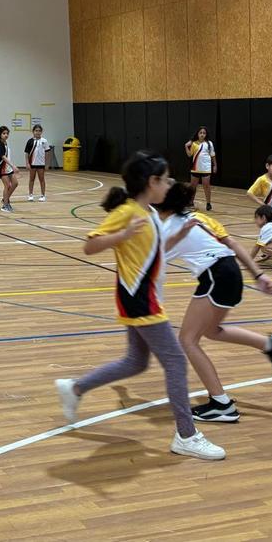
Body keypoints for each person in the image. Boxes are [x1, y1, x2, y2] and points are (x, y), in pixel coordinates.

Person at [54, 151, 225, 461]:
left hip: (143, 297)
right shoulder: (128, 212)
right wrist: (122, 234)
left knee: (136, 361)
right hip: (139, 299)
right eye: (166, 179)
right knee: (176, 361)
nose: (170, 185)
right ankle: (186, 435)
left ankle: (75, 388)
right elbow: (90, 245)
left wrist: (179, 235)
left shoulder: (151, 214)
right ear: (151, 181)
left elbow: (154, 252)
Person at [157, 183, 272, 424]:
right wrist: (258, 274)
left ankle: (221, 404)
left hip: (215, 276)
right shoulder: (199, 218)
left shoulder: (170, 228)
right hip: (231, 272)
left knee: (188, 340)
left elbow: (152, 261)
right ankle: (270, 345)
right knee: (210, 331)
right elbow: (234, 245)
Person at [184, 126, 216, 211]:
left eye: (204, 133)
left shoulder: (209, 143)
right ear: (197, 134)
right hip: (195, 168)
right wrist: (186, 146)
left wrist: (215, 165)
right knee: (193, 186)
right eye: (200, 133)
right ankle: (190, 202)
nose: (202, 134)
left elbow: (213, 155)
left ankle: (208, 203)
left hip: (206, 168)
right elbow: (189, 155)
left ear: (206, 134)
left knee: (206, 185)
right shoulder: (194, 143)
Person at [25, 124, 52, 202]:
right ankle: (30, 195)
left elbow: (47, 153)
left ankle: (43, 195)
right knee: (31, 179)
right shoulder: (30, 141)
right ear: (33, 131)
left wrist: (47, 164)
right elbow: (26, 153)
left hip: (41, 164)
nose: (38, 132)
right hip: (32, 164)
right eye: (36, 131)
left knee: (42, 179)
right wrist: (27, 163)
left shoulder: (44, 141)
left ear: (41, 132)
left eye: (39, 131)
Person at [0, 125, 19, 212]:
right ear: (0, 134)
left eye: (7, 133)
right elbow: (3, 157)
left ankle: (5, 199)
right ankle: (5, 205)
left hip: (8, 167)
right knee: (7, 185)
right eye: (4, 133)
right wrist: (13, 165)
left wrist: (11, 166)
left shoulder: (5, 143)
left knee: (15, 183)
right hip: (1, 167)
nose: (6, 135)